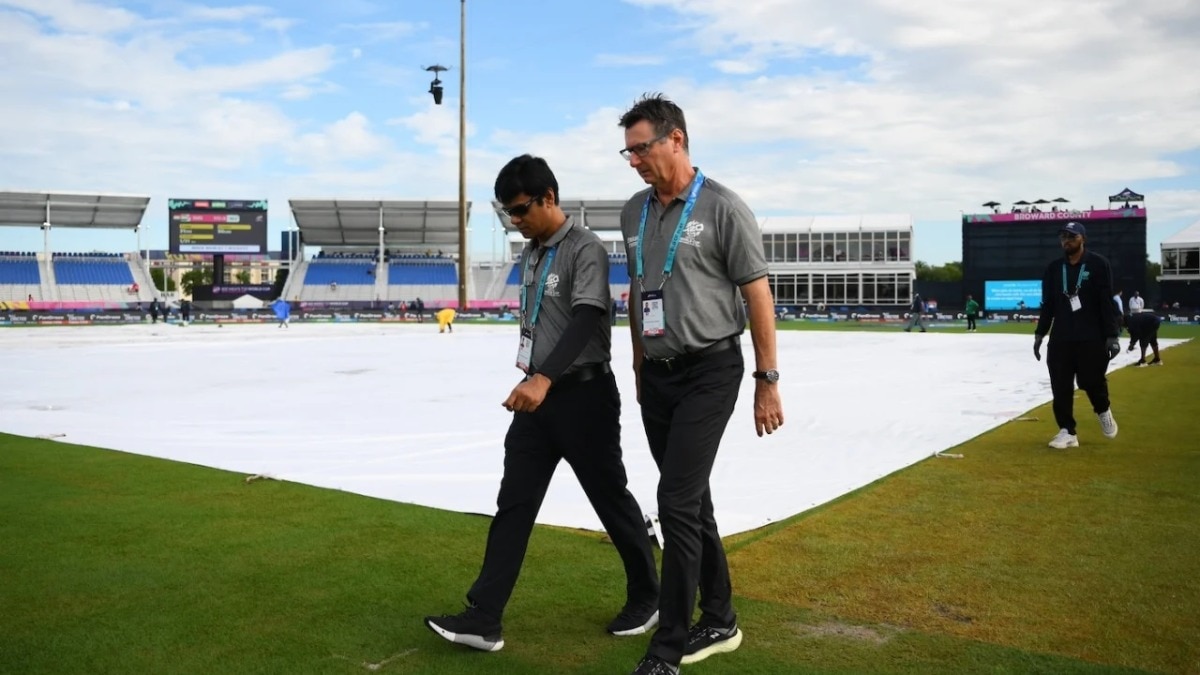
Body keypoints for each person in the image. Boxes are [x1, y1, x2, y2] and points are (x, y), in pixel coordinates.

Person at [424, 154, 659, 653]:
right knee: (514, 503)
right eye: (508, 213)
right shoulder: (530, 252)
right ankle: (484, 617)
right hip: (537, 397)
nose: (516, 220)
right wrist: (536, 377)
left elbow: (586, 317)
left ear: (549, 197)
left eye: (521, 209)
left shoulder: (586, 248)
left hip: (584, 396)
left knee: (610, 498)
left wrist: (545, 377)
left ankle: (648, 594)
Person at [616, 93, 783, 675]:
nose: (633, 160)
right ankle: (721, 617)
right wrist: (638, 364)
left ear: (677, 139)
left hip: (711, 370)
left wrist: (767, 380)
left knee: (675, 501)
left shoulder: (723, 208)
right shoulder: (633, 211)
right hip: (657, 376)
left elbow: (756, 293)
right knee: (692, 500)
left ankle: (667, 648)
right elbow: (639, 290)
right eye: (628, 151)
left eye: (641, 148)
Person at [1033, 222, 1120, 449]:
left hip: (1092, 336)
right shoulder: (1053, 268)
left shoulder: (1098, 264)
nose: (1066, 240)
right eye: (1063, 237)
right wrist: (1040, 334)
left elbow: (1106, 301)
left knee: (1090, 381)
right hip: (1061, 337)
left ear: (1082, 238)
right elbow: (1048, 304)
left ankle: (1102, 410)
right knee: (1060, 385)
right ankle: (1067, 431)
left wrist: (1112, 335)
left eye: (1071, 236)